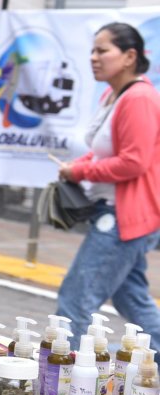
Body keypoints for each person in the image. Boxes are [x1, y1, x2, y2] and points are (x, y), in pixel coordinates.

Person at [56, 22, 160, 343]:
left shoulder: (139, 98)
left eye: (103, 51)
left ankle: (60, 384)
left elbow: (134, 161)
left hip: (121, 217)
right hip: (113, 213)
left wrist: (80, 173)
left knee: (74, 303)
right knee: (133, 302)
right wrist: (78, 165)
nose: (93, 58)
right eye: (92, 50)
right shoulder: (113, 94)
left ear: (130, 56)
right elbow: (102, 152)